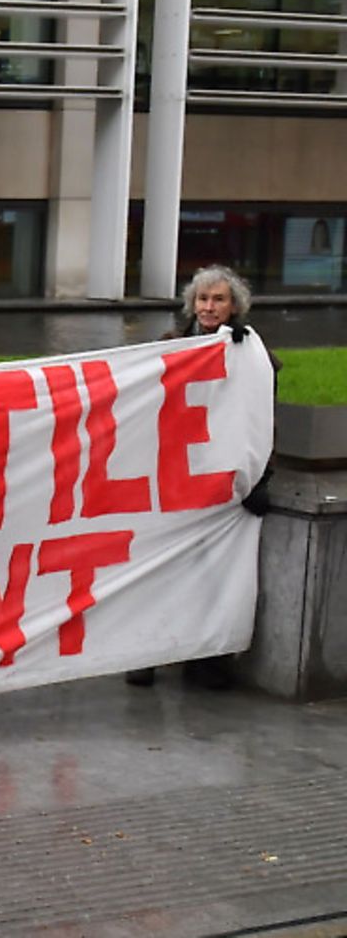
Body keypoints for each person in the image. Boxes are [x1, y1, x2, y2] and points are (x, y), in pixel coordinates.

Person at [127, 264, 275, 690]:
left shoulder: (252, 353)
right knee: (158, 570)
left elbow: (263, 420)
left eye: (219, 299)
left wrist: (261, 479)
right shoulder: (170, 346)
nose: (209, 307)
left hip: (221, 481)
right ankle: (144, 656)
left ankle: (204, 660)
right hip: (173, 476)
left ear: (235, 306)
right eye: (203, 299)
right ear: (192, 304)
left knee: (214, 574)